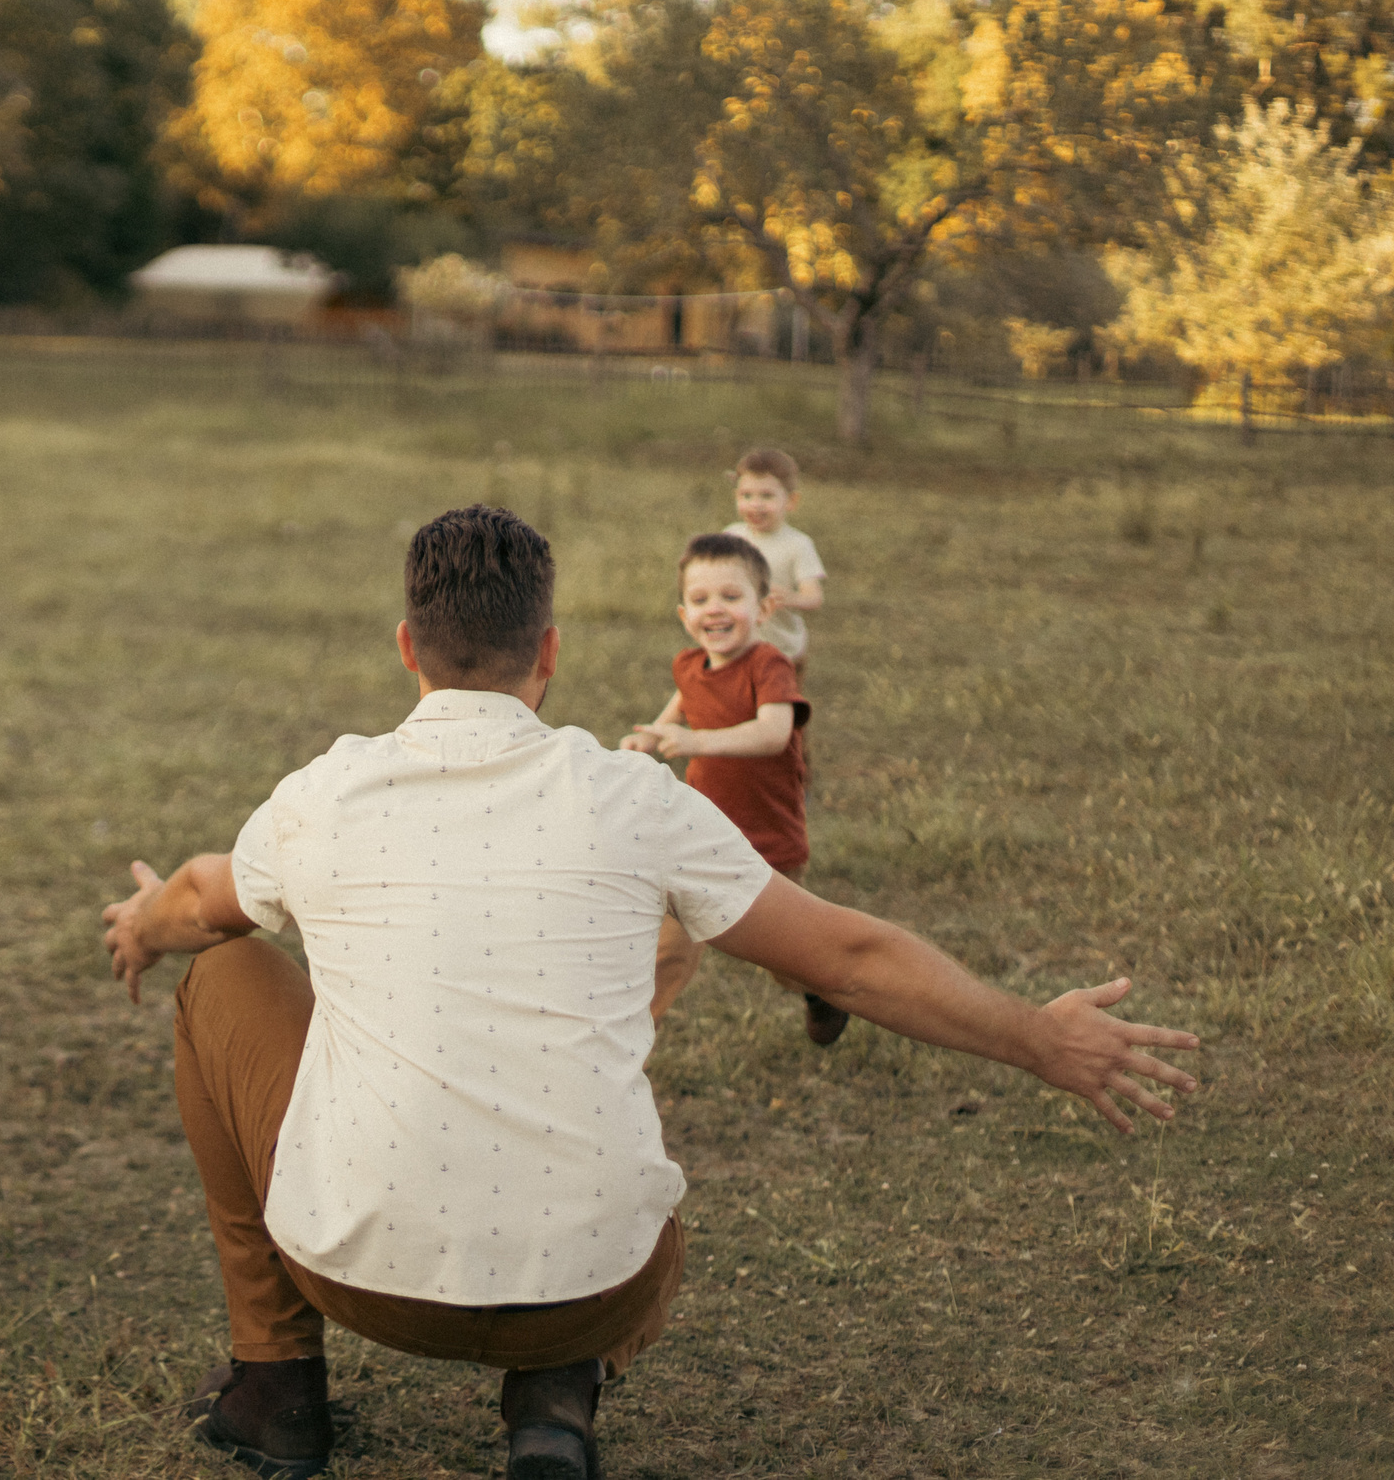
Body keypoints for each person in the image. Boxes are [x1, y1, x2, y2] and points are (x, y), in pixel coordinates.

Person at [99, 505, 1196, 1480]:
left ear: (405, 650)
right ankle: (552, 1397)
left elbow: (201, 899)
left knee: (229, 965)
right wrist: (1036, 1040)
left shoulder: (322, 793)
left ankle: (275, 1384)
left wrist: (140, 927)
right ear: (551, 654)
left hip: (354, 1274)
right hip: (598, 1283)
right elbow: (846, 961)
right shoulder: (634, 799)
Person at [622, 533, 842, 1043]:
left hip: (768, 842)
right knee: (668, 953)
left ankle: (818, 989)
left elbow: (774, 734)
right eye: (700, 600)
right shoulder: (688, 665)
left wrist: (695, 740)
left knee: (785, 961)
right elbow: (684, 700)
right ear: (683, 614)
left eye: (730, 597)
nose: (714, 611)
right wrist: (651, 737)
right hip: (698, 837)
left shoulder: (770, 666)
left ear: (764, 608)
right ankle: (625, 1049)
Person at [723, 448, 824, 669]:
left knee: (781, 702)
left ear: (791, 501)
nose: (755, 504)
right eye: (746, 495)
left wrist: (790, 597)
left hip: (783, 652)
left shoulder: (797, 544)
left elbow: (814, 597)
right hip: (737, 647)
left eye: (767, 496)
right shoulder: (731, 536)